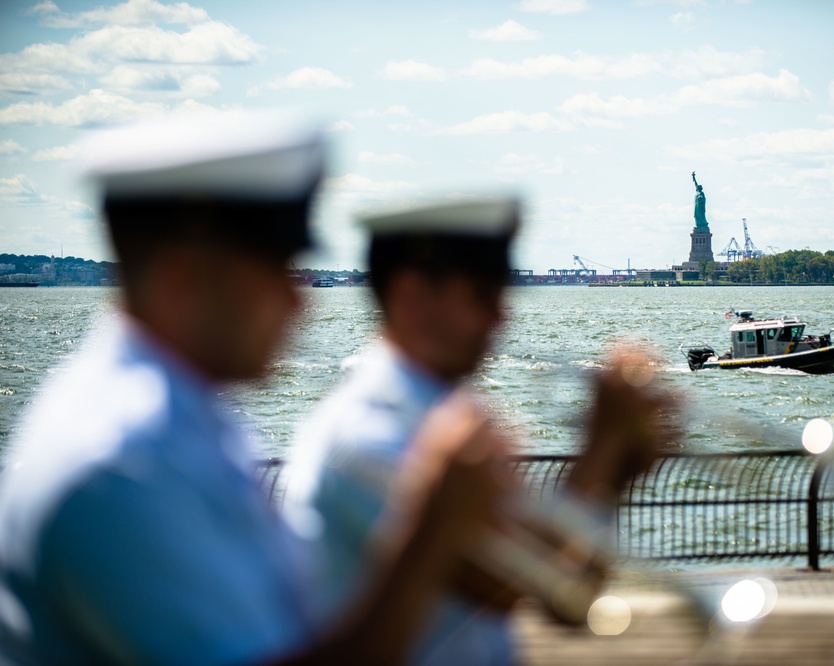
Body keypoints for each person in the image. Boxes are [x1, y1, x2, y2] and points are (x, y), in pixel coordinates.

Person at [0, 112, 510, 665]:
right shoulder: (120, 463)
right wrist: (432, 522)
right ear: (184, 279)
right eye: (278, 269)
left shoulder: (175, 423)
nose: (299, 302)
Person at [282, 197, 678, 665]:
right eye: (483, 295)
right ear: (411, 297)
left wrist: (615, 473)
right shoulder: (368, 434)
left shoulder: (443, 417)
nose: (500, 316)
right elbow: (514, 585)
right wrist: (600, 451)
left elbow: (569, 600)